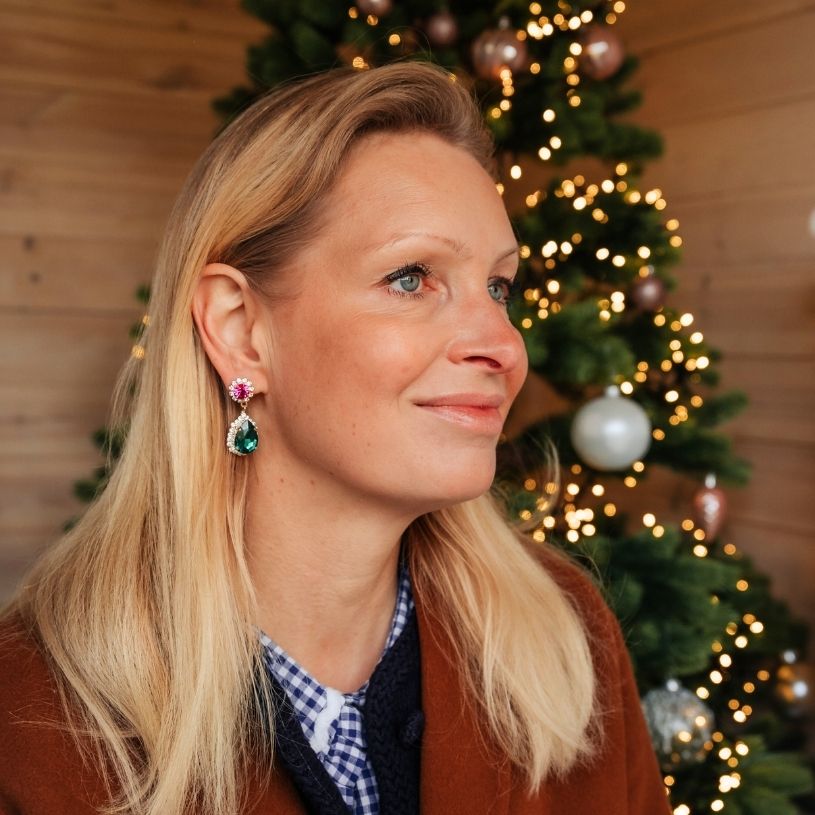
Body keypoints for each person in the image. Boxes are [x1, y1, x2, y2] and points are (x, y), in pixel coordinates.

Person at [0, 60, 670, 815]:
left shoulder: (566, 633)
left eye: (498, 287)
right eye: (411, 277)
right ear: (240, 330)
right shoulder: (27, 717)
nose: (503, 346)